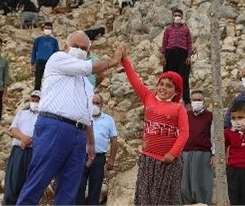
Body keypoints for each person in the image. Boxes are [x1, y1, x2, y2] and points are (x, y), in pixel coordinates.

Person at [16, 31, 123, 205]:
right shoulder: (57, 59)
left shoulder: (87, 84)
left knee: (69, 189)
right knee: (38, 181)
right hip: (54, 126)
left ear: (88, 53)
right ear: (65, 47)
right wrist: (113, 60)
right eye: (75, 46)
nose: (79, 50)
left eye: (83, 48)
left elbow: (87, 115)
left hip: (78, 134)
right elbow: (90, 67)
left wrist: (90, 143)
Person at [121, 43, 189, 205]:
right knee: (145, 199)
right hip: (148, 159)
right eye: (161, 84)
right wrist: (125, 61)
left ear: (176, 91)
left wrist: (172, 154)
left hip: (168, 163)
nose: (163, 88)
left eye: (169, 86)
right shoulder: (148, 98)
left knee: (165, 200)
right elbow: (135, 80)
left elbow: (184, 133)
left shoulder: (179, 108)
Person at [76, 94, 119, 205]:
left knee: (95, 188)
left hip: (99, 158)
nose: (94, 105)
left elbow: (114, 139)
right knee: (79, 187)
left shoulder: (108, 120)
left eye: (97, 103)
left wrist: (111, 159)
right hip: (82, 156)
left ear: (102, 105)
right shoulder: (82, 118)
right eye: (92, 103)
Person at [2, 90, 41, 206]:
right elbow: (13, 129)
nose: (34, 102)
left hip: (33, 152)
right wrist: (23, 138)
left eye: (37, 100)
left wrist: (30, 141)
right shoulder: (21, 113)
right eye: (32, 100)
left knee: (29, 184)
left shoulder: (43, 117)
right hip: (19, 150)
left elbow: (44, 133)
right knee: (13, 182)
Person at [181, 89, 214, 205]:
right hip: (185, 153)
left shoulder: (210, 116)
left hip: (203, 154)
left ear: (204, 101)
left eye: (199, 100)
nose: (197, 102)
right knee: (185, 184)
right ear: (190, 101)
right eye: (194, 100)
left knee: (202, 183)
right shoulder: (185, 115)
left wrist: (213, 154)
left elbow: (213, 135)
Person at [160, 8, 194, 104]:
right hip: (170, 54)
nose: (177, 17)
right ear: (172, 17)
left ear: (182, 17)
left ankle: (186, 100)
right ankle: (167, 98)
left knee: (184, 77)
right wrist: (163, 56)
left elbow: (189, 43)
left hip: (182, 54)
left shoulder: (185, 29)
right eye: (175, 15)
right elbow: (164, 42)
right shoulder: (168, 29)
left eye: (179, 15)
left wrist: (188, 56)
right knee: (168, 77)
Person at [30, 22, 59, 91]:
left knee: (49, 80)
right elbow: (34, 51)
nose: (47, 30)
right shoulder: (38, 40)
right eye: (46, 28)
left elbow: (56, 53)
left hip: (50, 63)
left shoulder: (54, 41)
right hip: (40, 62)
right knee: (38, 81)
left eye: (49, 28)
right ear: (43, 29)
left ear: (52, 29)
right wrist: (32, 63)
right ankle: (36, 95)